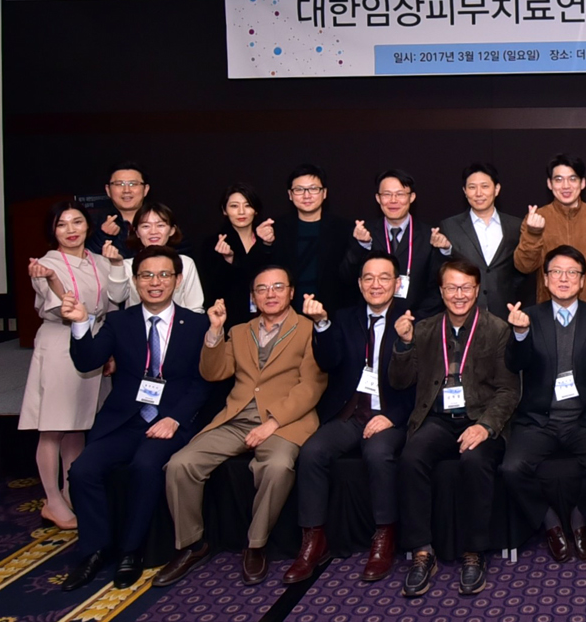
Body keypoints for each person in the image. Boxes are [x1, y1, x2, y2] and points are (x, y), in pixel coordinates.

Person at [155, 266, 327, 588]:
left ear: (291, 292)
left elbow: (311, 386)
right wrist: (214, 333)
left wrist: (272, 423)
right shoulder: (239, 331)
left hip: (285, 420)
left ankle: (256, 545)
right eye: (262, 289)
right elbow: (213, 372)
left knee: (277, 467)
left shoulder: (308, 329)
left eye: (278, 287)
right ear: (253, 297)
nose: (270, 294)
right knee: (180, 464)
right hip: (236, 418)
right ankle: (192, 544)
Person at [60, 246, 210, 591]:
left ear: (177, 280)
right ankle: (95, 550)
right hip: (125, 421)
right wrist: (81, 323)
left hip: (170, 421)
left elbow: (203, 382)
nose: (155, 282)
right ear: (135, 280)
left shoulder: (197, 324)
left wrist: (175, 419)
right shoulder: (119, 322)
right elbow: (88, 362)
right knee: (82, 470)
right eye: (147, 275)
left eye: (164, 275)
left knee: (145, 466)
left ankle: (131, 550)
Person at [284, 252, 414, 585]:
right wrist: (322, 324)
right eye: (368, 278)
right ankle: (314, 540)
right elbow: (329, 362)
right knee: (312, 452)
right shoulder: (344, 317)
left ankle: (384, 537)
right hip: (350, 413)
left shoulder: (412, 318)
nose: (376, 284)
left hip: (391, 415)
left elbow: (423, 379)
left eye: (384, 277)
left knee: (378, 453)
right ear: (359, 284)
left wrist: (393, 417)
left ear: (397, 284)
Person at [392, 259, 520, 598]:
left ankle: (474, 552)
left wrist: (486, 426)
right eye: (451, 287)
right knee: (411, 457)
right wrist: (403, 345)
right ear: (441, 291)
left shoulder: (497, 329)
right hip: (437, 419)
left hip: (479, 418)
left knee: (475, 460)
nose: (458, 294)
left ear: (477, 290)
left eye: (466, 287)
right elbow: (400, 381)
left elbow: (509, 390)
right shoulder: (424, 329)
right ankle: (422, 552)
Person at [501, 246, 586, 564]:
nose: (563, 278)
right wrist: (520, 334)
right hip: (538, 420)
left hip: (583, 420)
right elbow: (514, 364)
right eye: (556, 272)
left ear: (582, 280)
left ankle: (580, 521)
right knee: (511, 469)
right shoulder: (529, 317)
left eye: (572, 273)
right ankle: (551, 524)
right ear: (545, 278)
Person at [23, 201, 113, 532]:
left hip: (94, 341)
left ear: (88, 225)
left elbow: (110, 304)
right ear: (53, 230)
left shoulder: (100, 260)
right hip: (61, 344)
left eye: (77, 222)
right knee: (53, 426)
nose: (71, 230)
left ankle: (69, 491)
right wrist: (51, 279)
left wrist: (109, 350)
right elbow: (63, 304)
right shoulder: (44, 265)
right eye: (62, 224)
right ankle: (52, 500)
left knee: (77, 424)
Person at [514, 154, 586, 306]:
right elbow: (524, 266)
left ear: (583, 183)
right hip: (549, 311)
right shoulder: (537, 218)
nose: (566, 186)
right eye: (558, 179)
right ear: (549, 184)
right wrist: (533, 234)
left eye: (572, 179)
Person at [342, 169, 445, 318]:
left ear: (412, 197)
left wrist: (415, 320)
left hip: (416, 321)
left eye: (400, 194)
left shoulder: (429, 235)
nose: (393, 200)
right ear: (378, 198)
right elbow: (346, 279)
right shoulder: (363, 232)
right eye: (387, 194)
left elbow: (437, 289)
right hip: (371, 321)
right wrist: (361, 246)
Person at [438, 163, 527, 320]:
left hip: (506, 313)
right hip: (465, 313)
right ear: (465, 191)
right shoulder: (449, 226)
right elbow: (442, 270)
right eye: (472, 187)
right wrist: (445, 249)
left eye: (485, 186)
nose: (478, 193)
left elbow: (522, 270)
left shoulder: (516, 226)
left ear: (496, 189)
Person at [272, 164, 353, 314]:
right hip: (287, 312)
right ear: (290, 194)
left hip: (333, 312)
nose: (306, 195)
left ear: (324, 193)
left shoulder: (344, 229)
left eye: (313, 189)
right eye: (299, 190)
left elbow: (350, 274)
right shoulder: (276, 229)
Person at [100, 201, 204, 311]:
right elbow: (116, 298)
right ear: (137, 232)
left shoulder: (186, 263)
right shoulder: (127, 265)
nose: (153, 231)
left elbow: (195, 308)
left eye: (160, 225)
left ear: (172, 230)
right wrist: (117, 265)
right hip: (137, 321)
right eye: (146, 226)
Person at [201, 183, 276, 330]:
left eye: (247, 205)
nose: (241, 212)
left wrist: (265, 245)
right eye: (234, 206)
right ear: (224, 210)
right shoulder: (214, 243)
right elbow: (212, 288)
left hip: (269, 316)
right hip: (230, 320)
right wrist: (228, 261)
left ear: (255, 210)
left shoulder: (268, 239)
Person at [86, 161, 149, 259]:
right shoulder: (93, 222)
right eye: (119, 184)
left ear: (145, 189)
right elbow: (84, 259)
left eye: (133, 184)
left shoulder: (161, 219)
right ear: (108, 190)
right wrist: (103, 236)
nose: (126, 190)